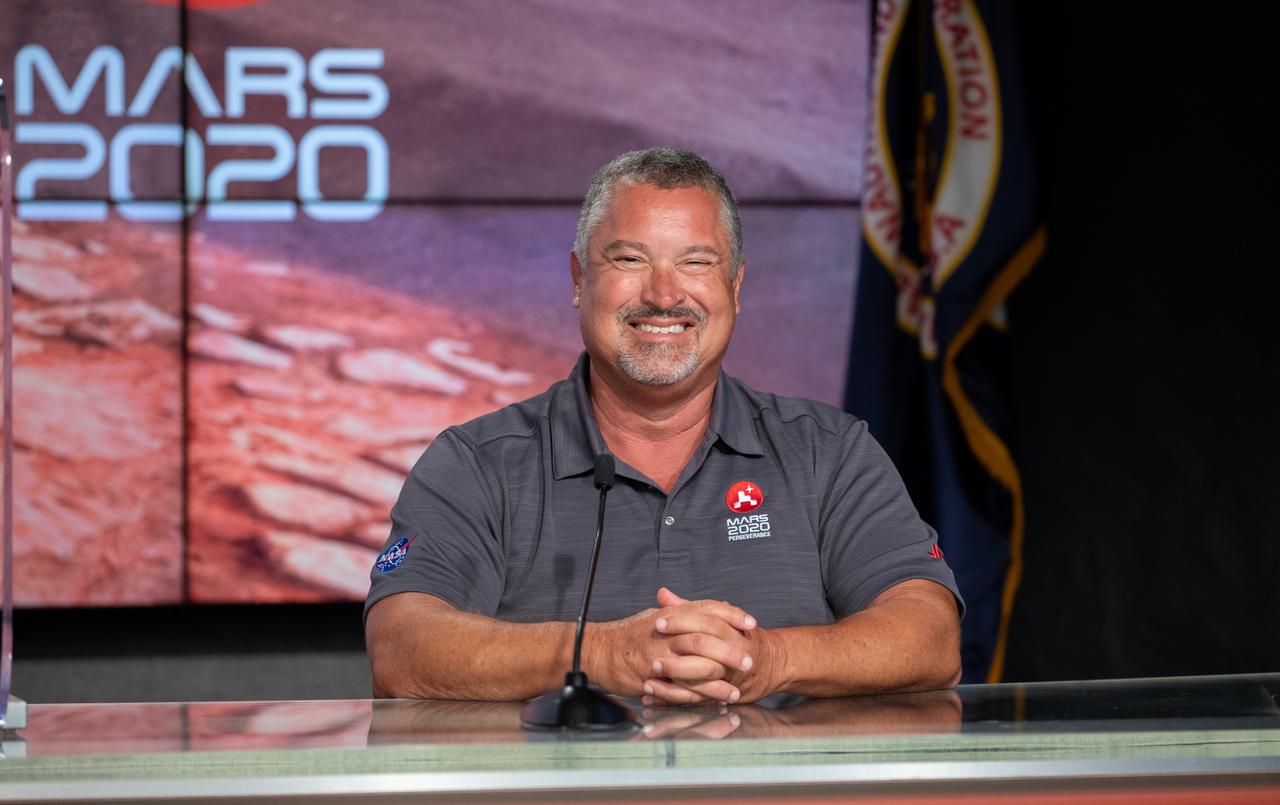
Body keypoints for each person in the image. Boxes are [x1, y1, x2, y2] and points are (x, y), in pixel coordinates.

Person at [365, 148, 962, 705]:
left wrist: (768, 659)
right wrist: (601, 653)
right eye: (629, 259)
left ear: (734, 286)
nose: (663, 294)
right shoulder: (475, 463)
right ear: (579, 279)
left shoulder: (828, 453)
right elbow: (402, 647)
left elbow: (930, 634)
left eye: (696, 262)